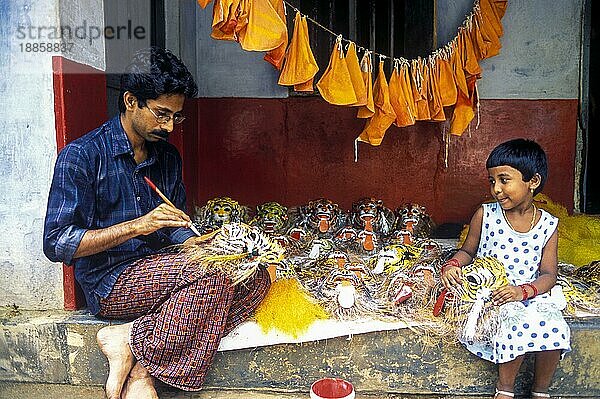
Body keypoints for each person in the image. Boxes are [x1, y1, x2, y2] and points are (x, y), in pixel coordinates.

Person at [43, 47, 272, 398]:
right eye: (161, 114)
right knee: (213, 278)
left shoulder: (166, 156)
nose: (168, 126)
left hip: (160, 269)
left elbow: (175, 224)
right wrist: (137, 225)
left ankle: (131, 339)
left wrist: (193, 241)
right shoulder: (83, 156)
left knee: (256, 274)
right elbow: (57, 243)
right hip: (110, 280)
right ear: (131, 101)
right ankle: (146, 376)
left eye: (176, 117)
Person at [441, 139, 570, 399]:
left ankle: (540, 391)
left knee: (555, 326)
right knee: (514, 324)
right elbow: (468, 251)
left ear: (532, 181)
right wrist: (453, 264)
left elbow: (548, 275)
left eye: (504, 180)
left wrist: (524, 291)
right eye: (492, 181)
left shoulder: (548, 225)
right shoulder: (486, 214)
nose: (496, 189)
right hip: (492, 294)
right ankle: (505, 390)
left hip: (527, 293)